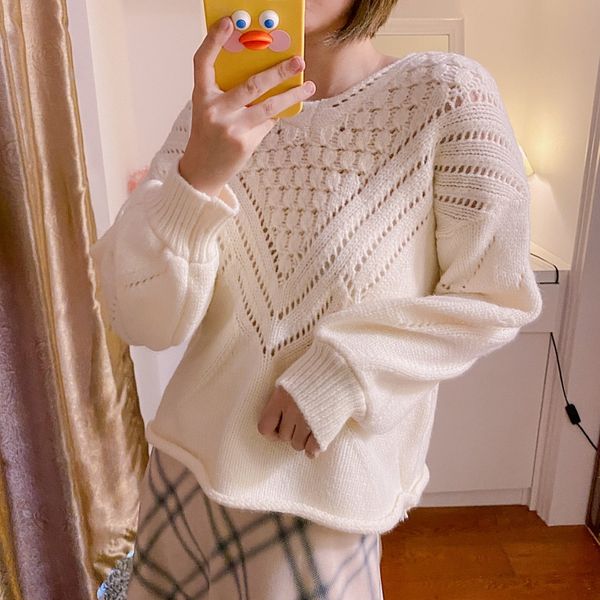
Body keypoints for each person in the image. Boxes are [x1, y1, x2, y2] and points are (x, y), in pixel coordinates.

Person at [90, 0, 543, 598]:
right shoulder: (213, 118)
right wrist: (196, 177)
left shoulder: (448, 97)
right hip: (186, 475)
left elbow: (494, 296)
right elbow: (145, 321)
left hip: (319, 498)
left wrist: (344, 371)